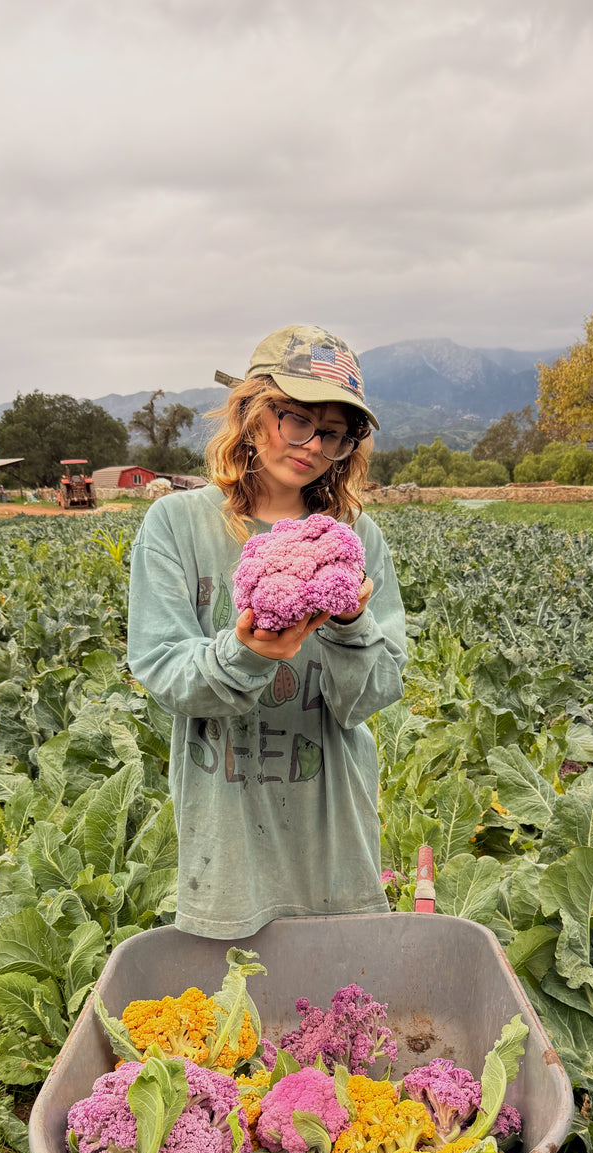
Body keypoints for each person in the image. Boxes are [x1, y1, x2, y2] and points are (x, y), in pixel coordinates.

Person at [127, 325, 407, 940]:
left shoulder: (358, 538)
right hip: (225, 831)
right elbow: (163, 669)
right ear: (253, 414)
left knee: (339, 979)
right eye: (297, 419)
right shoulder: (176, 523)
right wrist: (245, 653)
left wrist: (351, 624)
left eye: (334, 433)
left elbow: (370, 697)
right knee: (238, 987)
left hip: (333, 828)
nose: (313, 445)